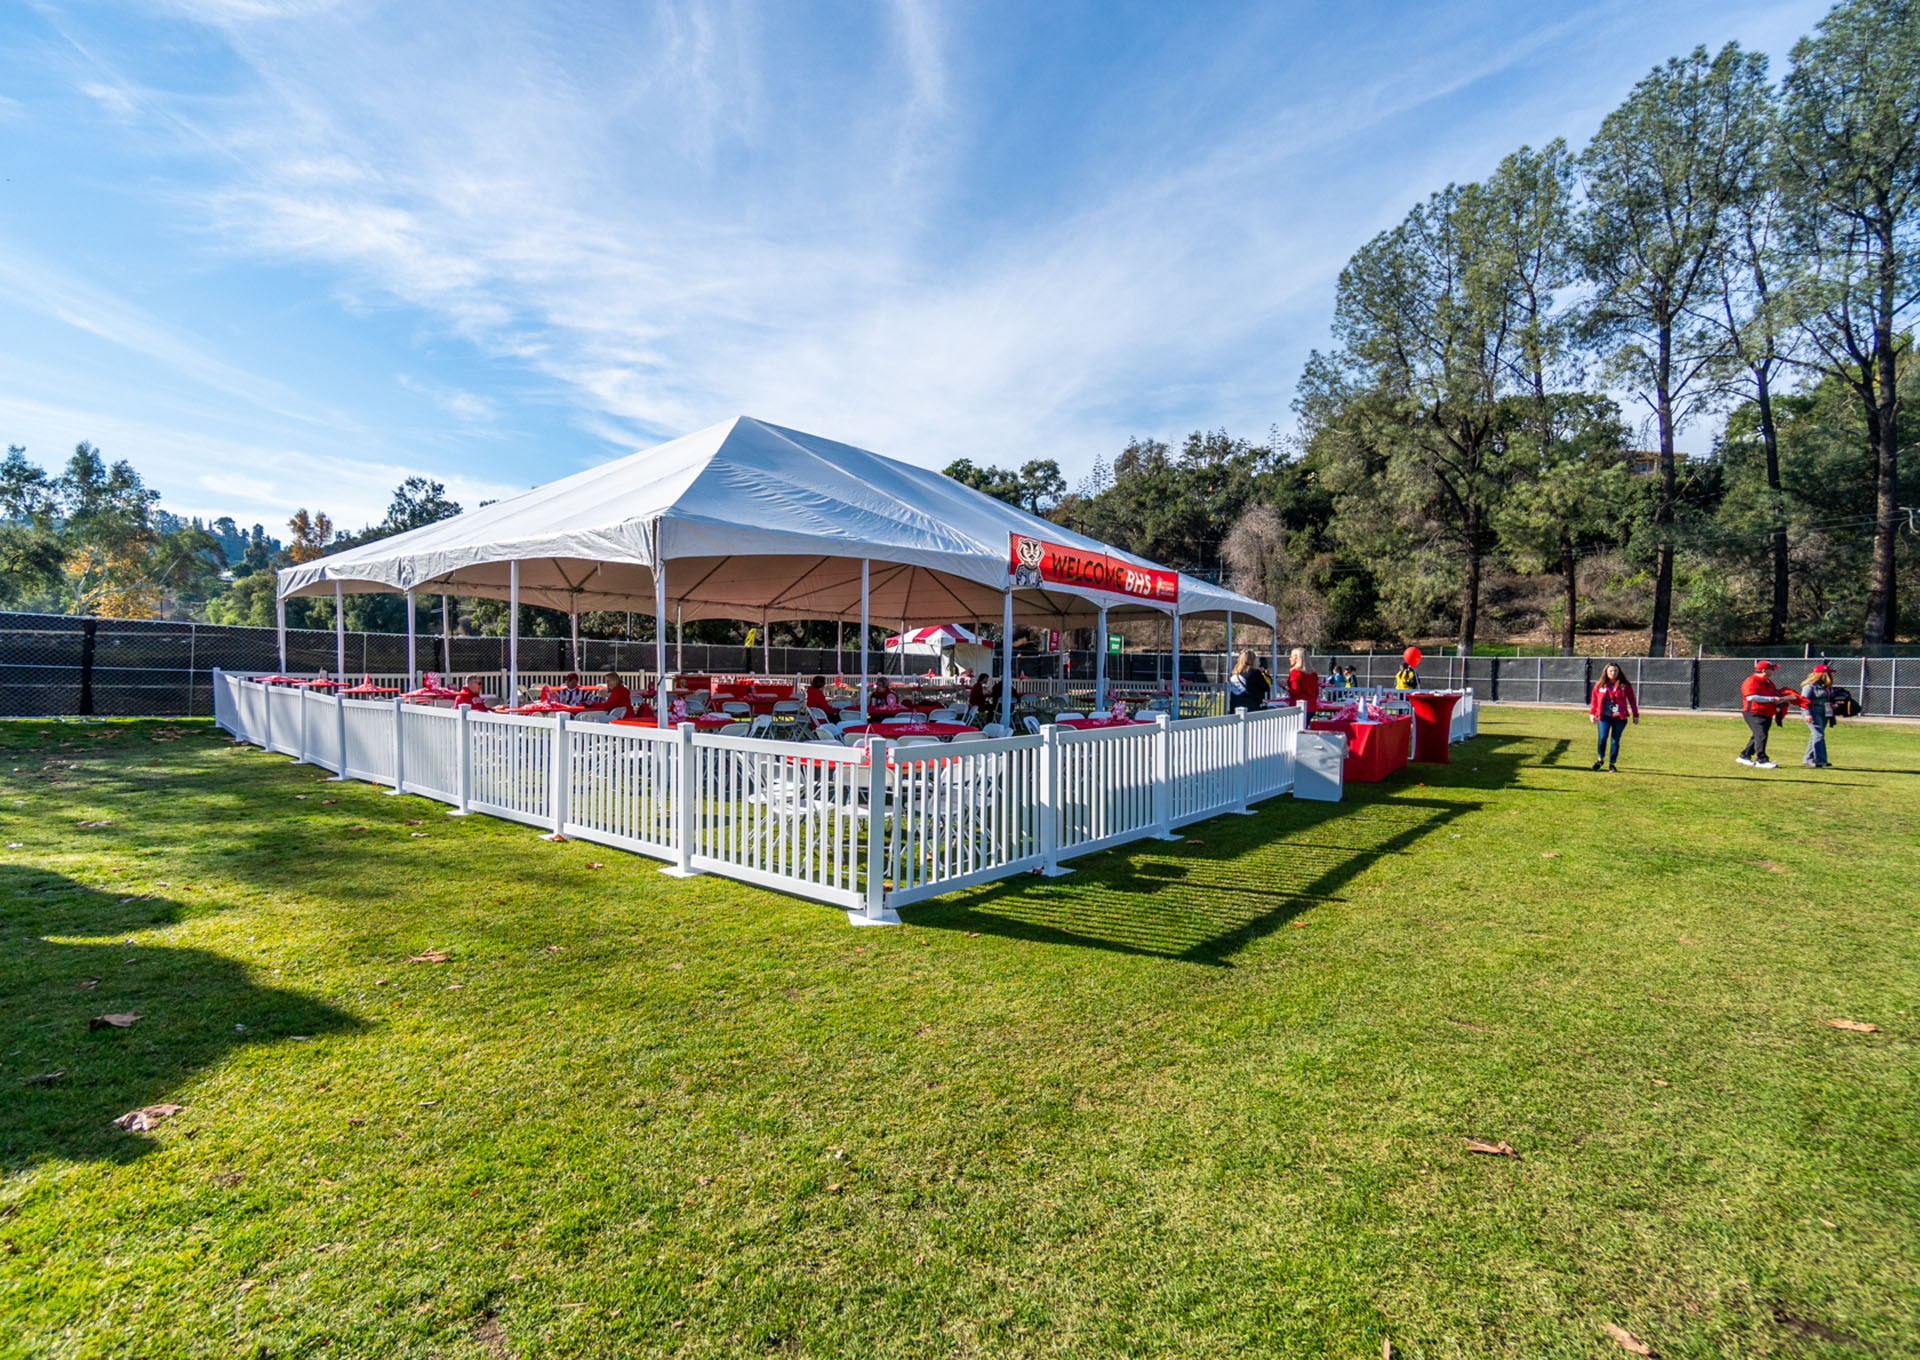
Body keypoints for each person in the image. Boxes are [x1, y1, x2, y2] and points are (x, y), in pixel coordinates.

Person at [1738, 659, 1800, 769]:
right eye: (1772, 669)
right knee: (1761, 735)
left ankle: (1744, 756)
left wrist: (1784, 699)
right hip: (1754, 712)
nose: (1773, 671)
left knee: (1758, 735)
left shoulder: (1768, 682)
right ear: (1764, 670)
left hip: (1766, 712)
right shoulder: (1751, 681)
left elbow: (1774, 694)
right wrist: (1772, 699)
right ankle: (1762, 760)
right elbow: (1750, 697)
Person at [1586, 662, 1639, 771]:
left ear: (1619, 672)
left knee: (1615, 740)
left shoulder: (1624, 685)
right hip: (1604, 716)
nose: (1613, 673)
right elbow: (1594, 699)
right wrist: (1592, 713)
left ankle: (1612, 763)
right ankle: (1600, 760)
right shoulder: (1600, 684)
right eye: (1611, 671)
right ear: (1606, 672)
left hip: (1619, 717)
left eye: (1615, 671)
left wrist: (1635, 714)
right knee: (1602, 738)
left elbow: (1632, 700)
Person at [1800, 662, 1837, 769]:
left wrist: (1831, 713)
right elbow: (1804, 701)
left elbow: (1828, 700)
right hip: (1813, 712)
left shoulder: (1826, 687)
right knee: (1818, 735)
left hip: (1824, 712)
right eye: (1828, 673)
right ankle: (1821, 760)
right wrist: (1807, 714)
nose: (1830, 676)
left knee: (1815, 735)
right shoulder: (1810, 686)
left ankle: (1808, 759)